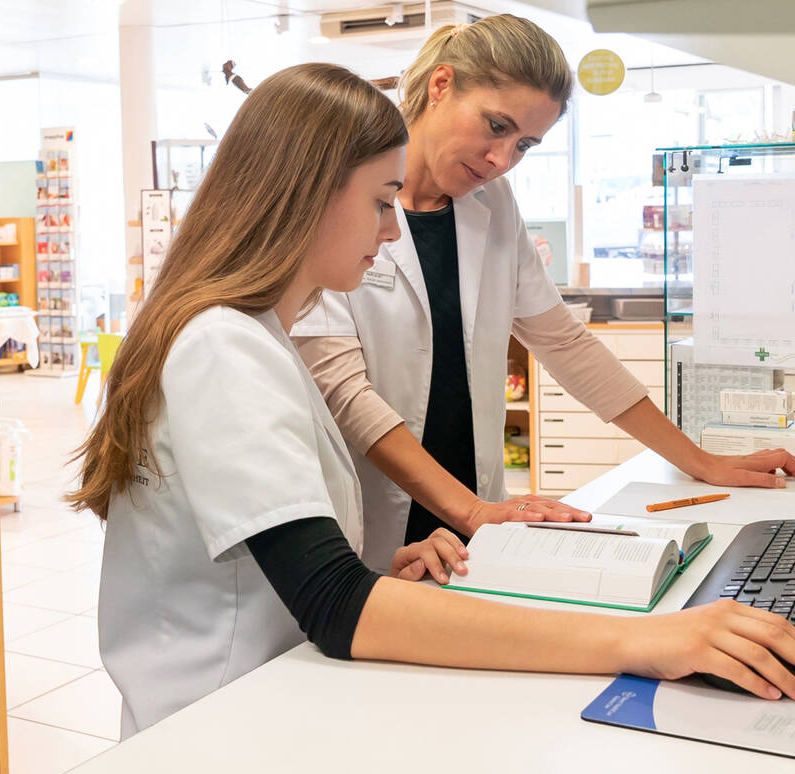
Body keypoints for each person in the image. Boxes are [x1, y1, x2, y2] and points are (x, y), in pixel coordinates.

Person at [68, 63, 795, 739]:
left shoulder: (251, 335)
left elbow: (287, 567)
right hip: (219, 722)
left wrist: (385, 567)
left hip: (279, 694)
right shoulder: (223, 346)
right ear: (307, 194)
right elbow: (332, 603)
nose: (391, 232)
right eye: (382, 204)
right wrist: (645, 641)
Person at [292, 15, 795, 574]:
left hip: (471, 516)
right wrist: (476, 510)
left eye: (525, 144)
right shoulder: (344, 193)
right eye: (495, 125)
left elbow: (562, 341)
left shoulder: (493, 202)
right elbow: (344, 391)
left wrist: (700, 462)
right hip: (377, 513)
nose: (501, 160)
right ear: (441, 85)